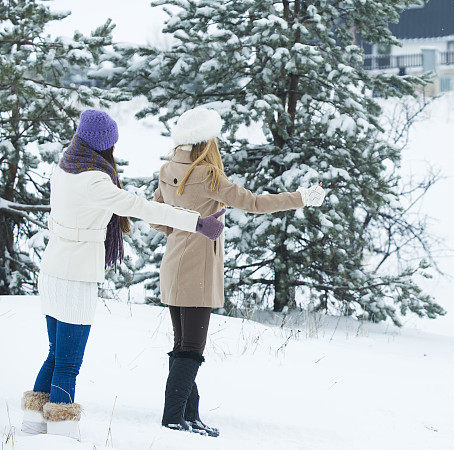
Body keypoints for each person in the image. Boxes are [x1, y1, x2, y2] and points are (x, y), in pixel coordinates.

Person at [19, 110, 226, 440]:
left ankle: (33, 425)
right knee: (68, 363)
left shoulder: (64, 167)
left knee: (55, 353)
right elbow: (142, 207)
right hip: (76, 278)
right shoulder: (95, 181)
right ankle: (60, 433)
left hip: (52, 271)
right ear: (105, 147)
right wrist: (198, 223)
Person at [153, 107, 326, 436]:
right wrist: (304, 197)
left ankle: (187, 416)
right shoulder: (207, 175)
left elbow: (158, 218)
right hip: (198, 270)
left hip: (172, 264)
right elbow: (255, 203)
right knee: (191, 348)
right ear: (207, 140)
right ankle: (173, 418)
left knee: (182, 345)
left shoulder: (167, 169)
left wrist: (181, 232)